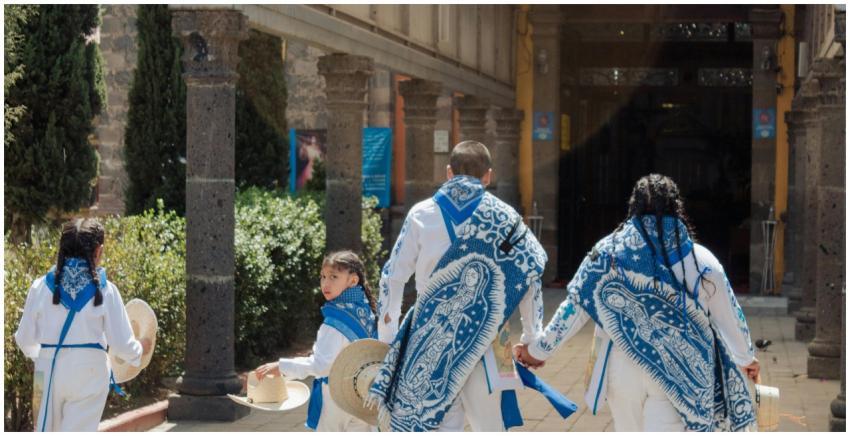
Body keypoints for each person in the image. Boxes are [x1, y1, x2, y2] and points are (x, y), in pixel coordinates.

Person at [514, 174, 760, 432]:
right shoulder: (702, 262)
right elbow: (730, 316)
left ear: (633, 208)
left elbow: (574, 309)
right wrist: (746, 358)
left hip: (622, 367)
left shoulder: (607, 255)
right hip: (677, 377)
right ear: (677, 210)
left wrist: (538, 350)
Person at [366, 141, 560, 432]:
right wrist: (532, 338)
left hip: (430, 338)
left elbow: (392, 277)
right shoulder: (506, 218)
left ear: (448, 172)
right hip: (489, 339)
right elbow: (530, 275)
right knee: (489, 427)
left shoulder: (421, 214)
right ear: (488, 176)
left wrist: (389, 337)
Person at [14, 218, 149, 432]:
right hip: (90, 372)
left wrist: (44, 356)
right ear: (98, 251)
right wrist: (141, 349)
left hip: (46, 370)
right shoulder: (106, 290)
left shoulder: (40, 287)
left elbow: (24, 339)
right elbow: (123, 346)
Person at [254, 250, 377, 431]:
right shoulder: (367, 312)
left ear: (352, 280)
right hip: (363, 397)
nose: (325, 283)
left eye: (334, 276)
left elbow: (322, 366)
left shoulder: (335, 322)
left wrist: (282, 367)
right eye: (323, 276)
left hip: (337, 399)